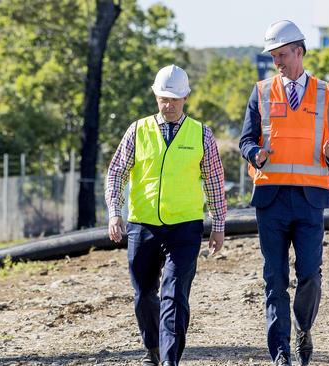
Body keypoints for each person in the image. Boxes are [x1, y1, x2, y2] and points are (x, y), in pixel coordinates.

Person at [239, 20, 329, 366]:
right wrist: (253, 152)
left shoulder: (326, 93)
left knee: (310, 275)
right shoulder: (261, 92)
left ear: (299, 51)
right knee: (274, 278)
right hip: (270, 198)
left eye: (282, 55)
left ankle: (303, 329)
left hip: (309, 199)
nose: (278, 63)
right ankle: (281, 352)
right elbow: (246, 140)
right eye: (274, 57)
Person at [105, 64, 227, 366]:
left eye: (174, 98)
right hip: (142, 226)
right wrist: (114, 212)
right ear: (156, 96)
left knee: (174, 295)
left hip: (184, 229)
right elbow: (116, 172)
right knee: (144, 294)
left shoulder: (202, 134)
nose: (169, 104)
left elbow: (213, 181)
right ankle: (153, 349)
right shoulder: (137, 130)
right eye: (163, 98)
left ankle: (171, 359)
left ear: (185, 97)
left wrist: (219, 225)